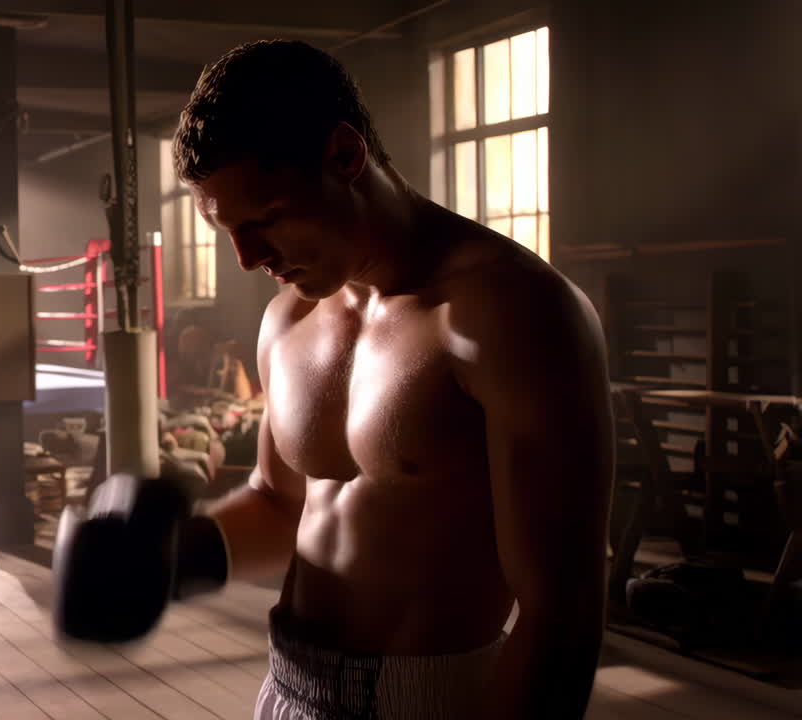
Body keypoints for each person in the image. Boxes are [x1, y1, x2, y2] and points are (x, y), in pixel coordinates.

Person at [55, 40, 613, 720]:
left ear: (345, 157)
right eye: (229, 230)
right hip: (287, 689)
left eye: (267, 220)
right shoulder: (289, 319)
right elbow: (281, 502)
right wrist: (173, 557)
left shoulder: (512, 313)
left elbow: (564, 605)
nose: (248, 257)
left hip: (429, 702)